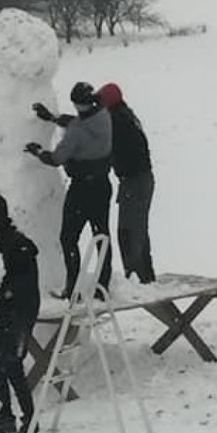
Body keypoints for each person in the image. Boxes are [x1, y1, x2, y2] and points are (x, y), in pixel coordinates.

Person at [26, 81, 113, 299]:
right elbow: (78, 121)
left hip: (82, 189)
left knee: (68, 237)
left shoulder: (76, 133)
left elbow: (57, 158)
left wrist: (38, 152)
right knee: (101, 234)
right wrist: (53, 118)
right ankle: (103, 284)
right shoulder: (103, 116)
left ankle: (72, 287)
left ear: (79, 104)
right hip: (102, 184)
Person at [0, 194, 40, 433]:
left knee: (12, 362)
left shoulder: (19, 245)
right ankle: (6, 415)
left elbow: (23, 282)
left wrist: (5, 290)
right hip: (6, 309)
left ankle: (30, 418)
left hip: (22, 311)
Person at [96, 83, 156, 284]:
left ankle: (137, 277)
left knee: (129, 232)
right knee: (136, 229)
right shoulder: (125, 117)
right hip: (139, 180)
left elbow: (90, 131)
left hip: (135, 182)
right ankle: (144, 275)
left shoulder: (116, 121)